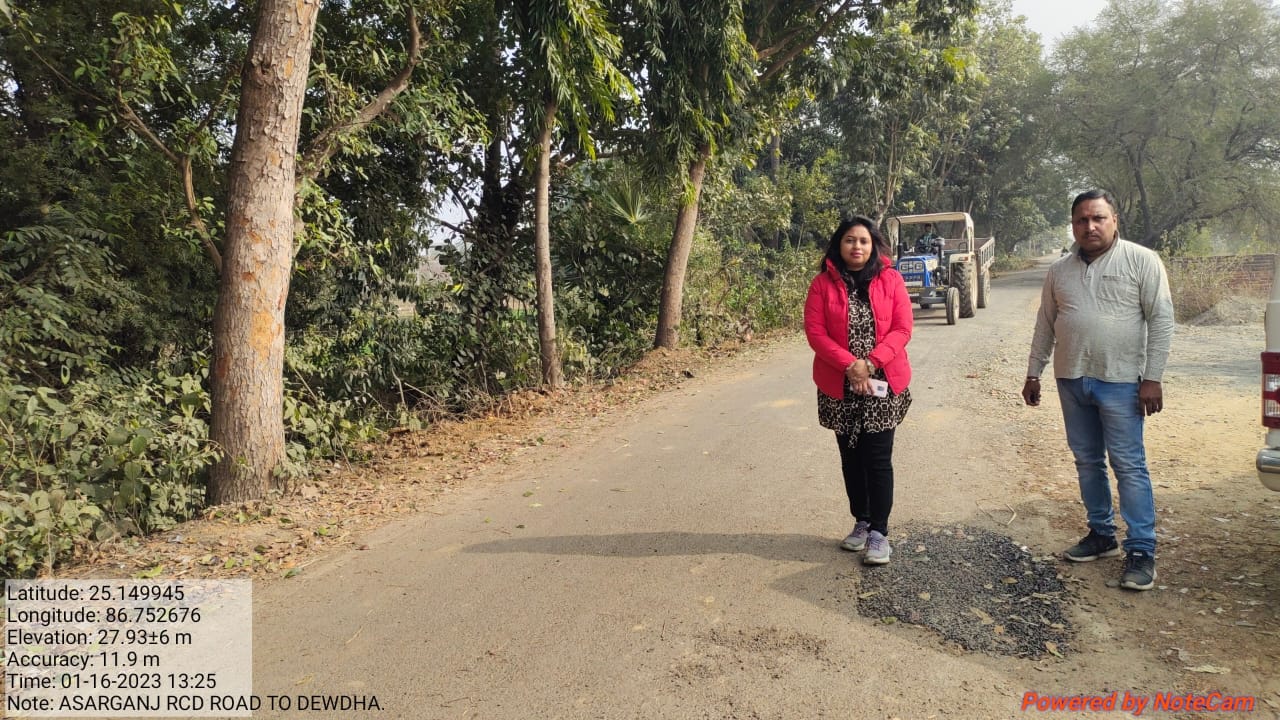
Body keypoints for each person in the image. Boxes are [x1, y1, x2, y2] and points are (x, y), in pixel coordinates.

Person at [1021, 189, 1174, 591]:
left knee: (1129, 465)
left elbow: (1161, 320)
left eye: (1098, 218)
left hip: (1122, 381)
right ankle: (1102, 534)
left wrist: (1152, 377)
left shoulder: (1142, 260)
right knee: (1087, 461)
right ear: (1073, 225)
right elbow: (1046, 323)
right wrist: (1034, 372)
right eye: (1082, 220)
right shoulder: (1059, 270)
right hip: (1072, 380)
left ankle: (1141, 550)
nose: (1090, 226)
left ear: (1114, 220)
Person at [804, 216, 914, 565]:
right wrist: (850, 366)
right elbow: (815, 332)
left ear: (874, 245)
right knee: (851, 458)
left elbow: (902, 328)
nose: (857, 247)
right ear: (839, 245)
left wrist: (870, 363)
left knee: (877, 459)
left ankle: (880, 532)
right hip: (840, 386)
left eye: (864, 241)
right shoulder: (821, 284)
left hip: (882, 384)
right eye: (850, 240)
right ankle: (862, 521)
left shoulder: (891, 279)